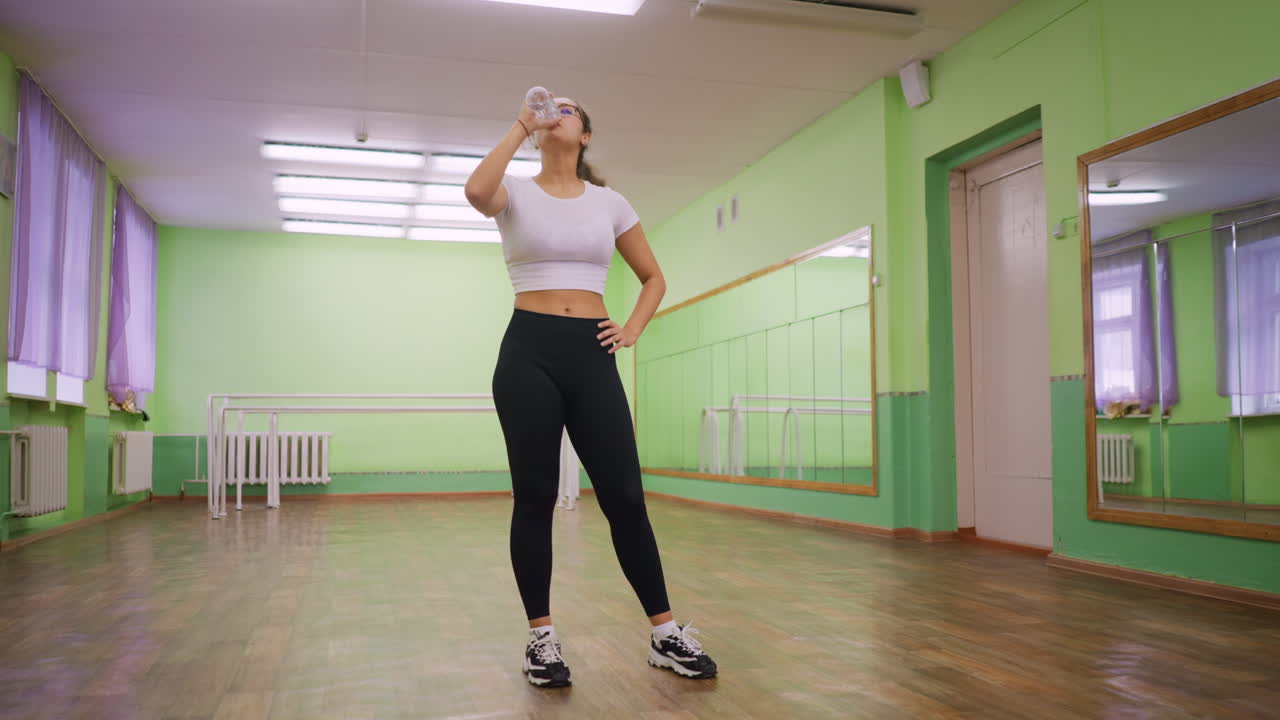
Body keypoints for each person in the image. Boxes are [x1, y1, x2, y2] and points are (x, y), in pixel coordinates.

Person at [464, 93, 718, 688]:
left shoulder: (610, 203)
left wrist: (631, 329)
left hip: (593, 352)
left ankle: (665, 632)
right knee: (534, 497)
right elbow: (477, 193)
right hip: (528, 351)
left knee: (626, 496)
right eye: (549, 110)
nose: (558, 112)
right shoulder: (515, 192)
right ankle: (542, 640)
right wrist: (522, 123)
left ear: (585, 136)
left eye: (569, 110)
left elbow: (654, 277)